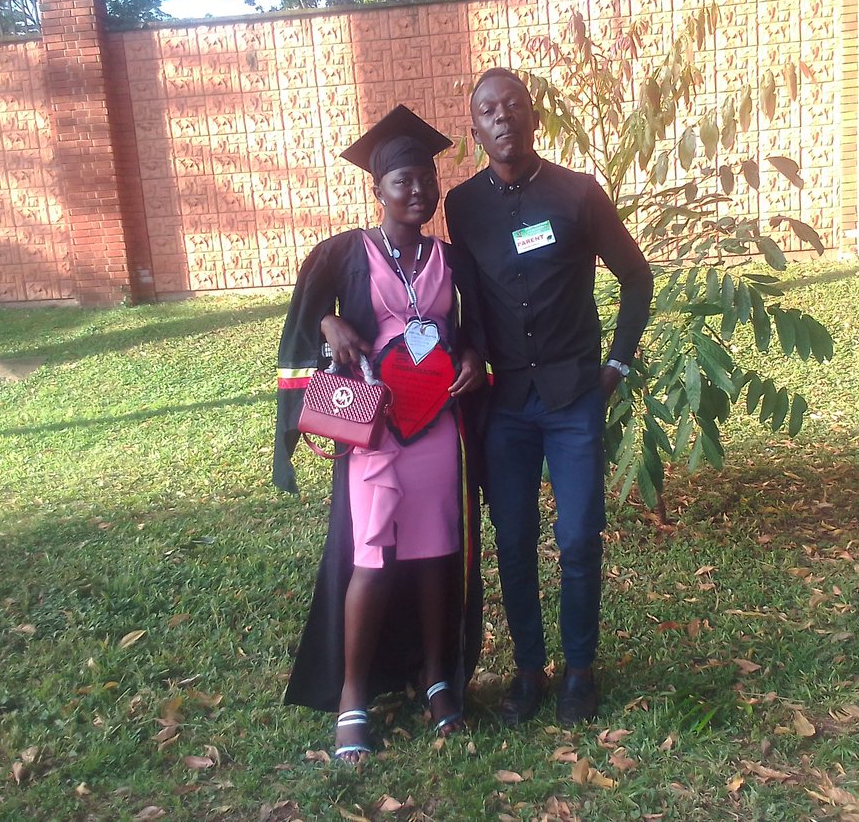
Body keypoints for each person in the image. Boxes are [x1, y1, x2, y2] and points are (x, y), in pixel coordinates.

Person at [273, 105, 487, 762]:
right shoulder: (342, 254)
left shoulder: (452, 261)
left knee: (433, 560)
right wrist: (327, 329)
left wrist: (477, 361)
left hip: (436, 432)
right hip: (374, 430)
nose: (418, 189)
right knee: (371, 560)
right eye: (403, 180)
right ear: (378, 187)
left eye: (426, 177)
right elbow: (299, 333)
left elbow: (474, 337)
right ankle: (352, 696)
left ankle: (437, 679)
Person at [445, 68, 653, 726]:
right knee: (512, 540)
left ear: (533, 117)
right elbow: (469, 297)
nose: (502, 117)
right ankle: (529, 671)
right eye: (487, 110)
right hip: (504, 404)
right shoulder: (463, 206)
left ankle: (580, 671)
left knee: (579, 537)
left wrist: (616, 364)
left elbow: (637, 277)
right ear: (474, 129)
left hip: (571, 401)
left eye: (512, 106)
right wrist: (473, 352)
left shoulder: (577, 194)